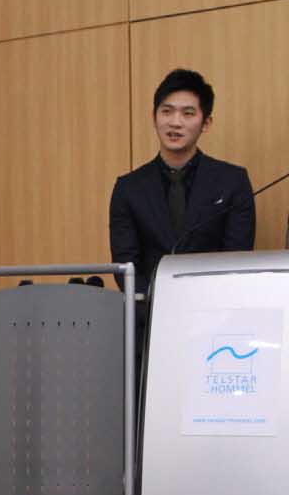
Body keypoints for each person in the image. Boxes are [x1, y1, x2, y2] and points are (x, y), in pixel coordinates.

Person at [109, 68, 255, 353]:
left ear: (206, 123)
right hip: (149, 330)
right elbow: (126, 267)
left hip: (217, 328)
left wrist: (204, 317)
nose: (175, 122)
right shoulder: (128, 188)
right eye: (167, 111)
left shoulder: (232, 182)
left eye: (188, 113)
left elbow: (236, 260)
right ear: (154, 117)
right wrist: (159, 312)